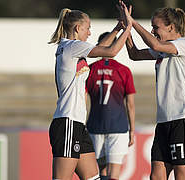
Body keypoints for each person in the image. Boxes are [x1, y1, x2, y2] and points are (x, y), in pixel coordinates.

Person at [48, 4, 132, 180]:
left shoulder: (72, 47)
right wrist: (129, 27)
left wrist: (117, 28)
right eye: (88, 28)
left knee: (93, 177)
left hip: (77, 124)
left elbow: (100, 47)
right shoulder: (72, 46)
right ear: (78, 28)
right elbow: (111, 51)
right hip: (67, 123)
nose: (89, 33)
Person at [123, 4, 185, 180]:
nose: (152, 31)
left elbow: (155, 44)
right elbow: (135, 54)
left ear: (171, 27)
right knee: (156, 177)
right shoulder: (163, 48)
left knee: (181, 176)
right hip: (164, 121)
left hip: (184, 119)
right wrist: (126, 29)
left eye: (156, 27)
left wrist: (133, 22)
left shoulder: (184, 44)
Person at [86, 29, 136, 180]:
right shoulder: (124, 70)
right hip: (118, 126)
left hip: (95, 125)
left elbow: (83, 100)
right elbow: (130, 104)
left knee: (100, 172)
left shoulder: (90, 69)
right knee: (114, 173)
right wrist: (132, 130)